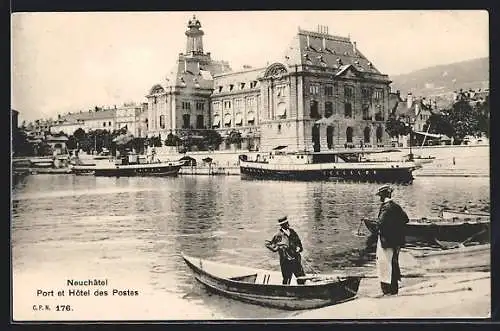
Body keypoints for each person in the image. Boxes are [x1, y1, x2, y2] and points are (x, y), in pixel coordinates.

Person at [374, 184, 409, 295]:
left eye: (380, 196)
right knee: (394, 264)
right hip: (397, 241)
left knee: (385, 265)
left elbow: (380, 223)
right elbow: (405, 219)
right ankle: (394, 289)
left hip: (386, 241)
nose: (379, 198)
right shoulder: (396, 206)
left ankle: (387, 290)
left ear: (383, 196)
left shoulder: (385, 207)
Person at [265, 216, 306, 285]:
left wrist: (299, 248)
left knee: (301, 277)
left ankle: (302, 291)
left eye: (287, 222)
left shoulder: (293, 232)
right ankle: (286, 293)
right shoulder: (278, 235)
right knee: (286, 279)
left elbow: (299, 243)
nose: (287, 224)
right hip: (285, 261)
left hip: (296, 259)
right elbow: (267, 243)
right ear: (282, 225)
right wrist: (277, 248)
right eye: (285, 223)